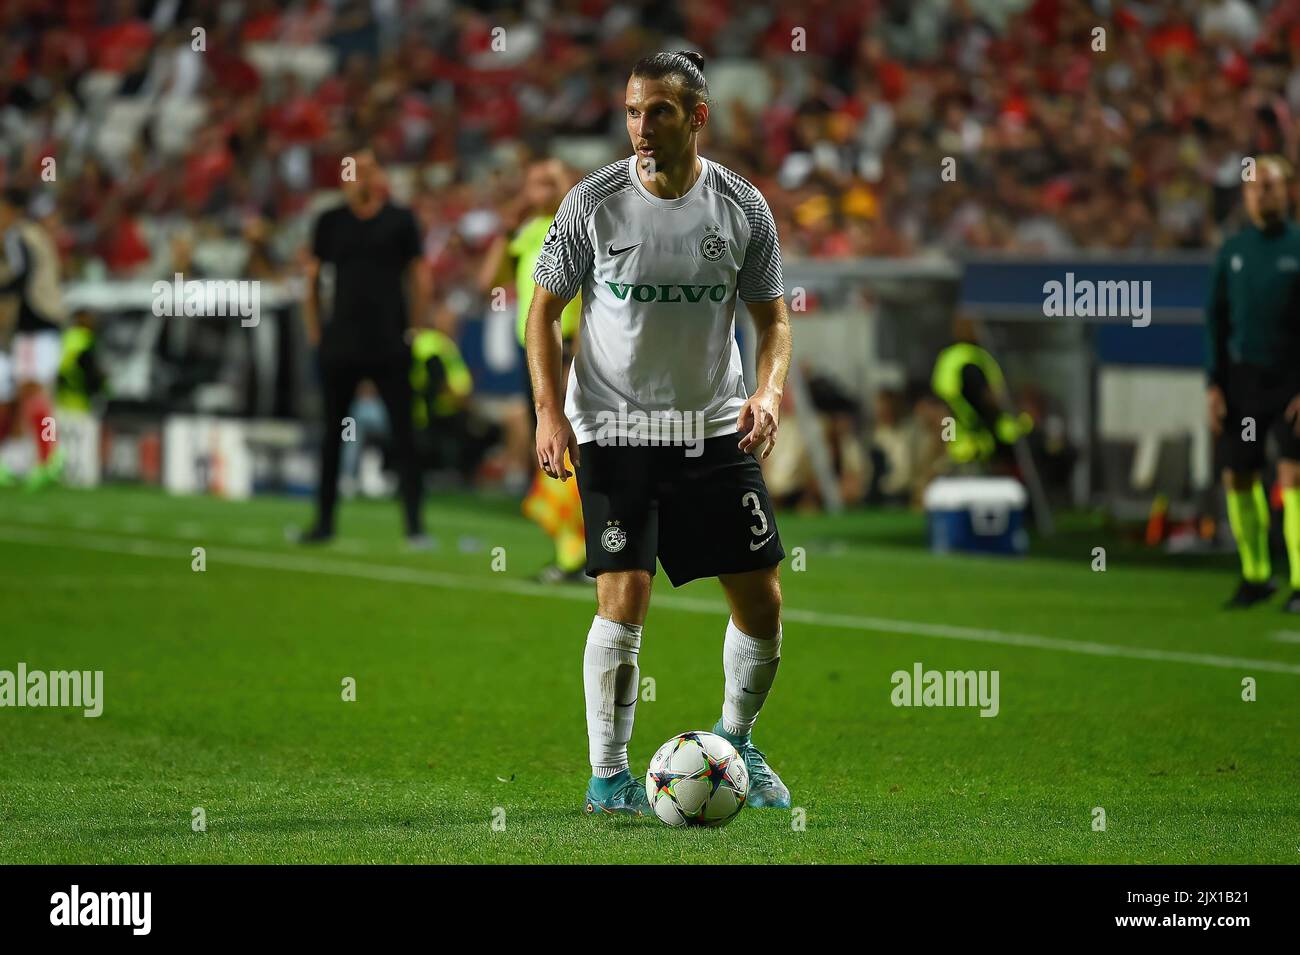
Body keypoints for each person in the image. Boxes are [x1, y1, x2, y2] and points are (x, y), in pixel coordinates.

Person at [526, 51, 793, 816]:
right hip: (612, 424)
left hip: (712, 425)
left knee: (763, 601)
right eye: (634, 112)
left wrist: (769, 391)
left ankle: (736, 738)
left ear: (697, 117)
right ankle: (609, 777)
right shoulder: (593, 202)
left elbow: (774, 321)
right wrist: (550, 412)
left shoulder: (742, 206)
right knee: (625, 592)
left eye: (660, 112)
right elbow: (543, 312)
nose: (642, 127)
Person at [300, 148, 431, 546]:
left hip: (390, 342)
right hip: (341, 343)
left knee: (405, 433)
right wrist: (315, 333)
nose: (357, 178)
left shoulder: (400, 220)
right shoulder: (330, 222)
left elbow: (420, 277)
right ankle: (323, 522)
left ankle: (414, 526)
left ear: (378, 177)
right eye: (351, 171)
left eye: (366, 170)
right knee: (332, 434)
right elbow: (310, 277)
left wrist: (413, 330)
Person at [480, 159, 587, 582]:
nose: (538, 191)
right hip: (536, 355)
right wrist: (506, 229)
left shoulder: (581, 226)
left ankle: (587, 551)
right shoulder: (527, 232)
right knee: (549, 447)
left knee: (576, 446)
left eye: (549, 182)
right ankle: (570, 551)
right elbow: (489, 280)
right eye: (533, 183)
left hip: (573, 353)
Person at [1206, 155, 1300, 612]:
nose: (1265, 192)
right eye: (1256, 186)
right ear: (1245, 195)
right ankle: (1255, 574)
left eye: (1273, 185)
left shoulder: (1298, 247)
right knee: (1239, 475)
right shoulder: (1234, 251)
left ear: (1289, 191)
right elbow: (1216, 322)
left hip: (1292, 380)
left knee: (1294, 474)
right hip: (1243, 381)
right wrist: (1214, 385)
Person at [0, 187, 67, 490]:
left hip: (33, 323)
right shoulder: (37, 235)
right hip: (49, 321)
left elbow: (19, 274)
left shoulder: (17, 235)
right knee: (32, 392)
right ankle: (29, 458)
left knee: (29, 390)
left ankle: (46, 458)